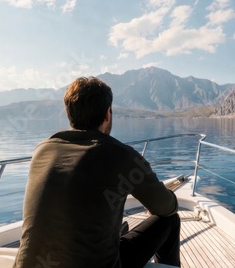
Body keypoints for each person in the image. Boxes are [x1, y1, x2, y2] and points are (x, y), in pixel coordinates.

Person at [13, 77, 180, 268]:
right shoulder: (122, 156)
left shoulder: (42, 151)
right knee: (170, 221)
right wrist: (163, 201)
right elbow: (165, 207)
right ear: (107, 114)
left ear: (69, 114)